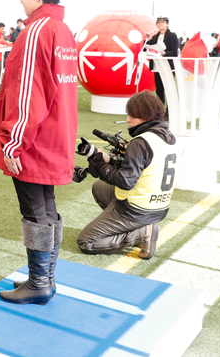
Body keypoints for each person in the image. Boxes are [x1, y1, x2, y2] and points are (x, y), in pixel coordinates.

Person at [0, 0, 77, 306]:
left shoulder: (37, 31)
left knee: (35, 210)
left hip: (34, 140)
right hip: (54, 136)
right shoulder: (63, 30)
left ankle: (40, 282)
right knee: (47, 207)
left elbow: (29, 94)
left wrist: (14, 142)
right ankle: (45, 277)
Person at [77, 91, 180, 260]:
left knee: (86, 241)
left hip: (136, 209)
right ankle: (138, 228)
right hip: (159, 207)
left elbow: (126, 181)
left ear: (146, 117)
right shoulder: (169, 138)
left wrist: (101, 165)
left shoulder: (140, 142)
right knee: (99, 187)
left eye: (133, 115)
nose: (128, 120)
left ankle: (141, 234)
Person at [146, 16, 178, 108]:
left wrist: (163, 53)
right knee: (159, 90)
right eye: (158, 22)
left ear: (167, 24)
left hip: (168, 67)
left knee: (169, 91)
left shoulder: (172, 36)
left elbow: (174, 52)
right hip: (157, 67)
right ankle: (160, 111)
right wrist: (147, 39)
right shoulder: (155, 37)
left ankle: (169, 113)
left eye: (163, 22)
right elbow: (145, 47)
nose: (160, 23)